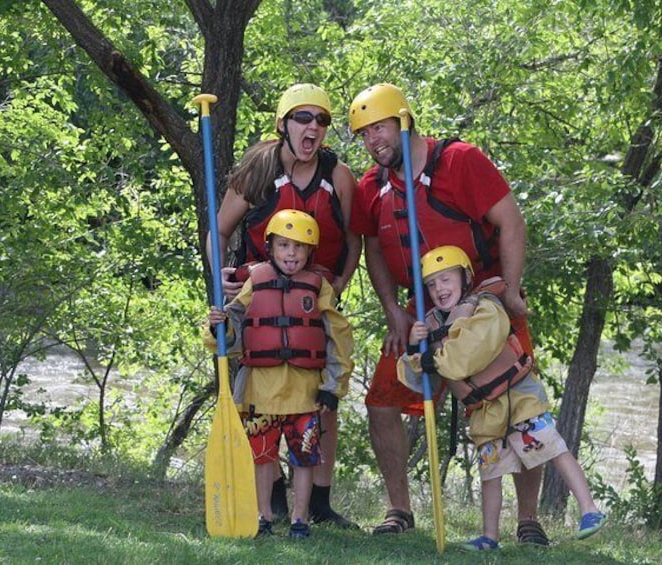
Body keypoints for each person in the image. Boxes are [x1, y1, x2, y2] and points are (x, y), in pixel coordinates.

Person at [347, 83, 547, 542]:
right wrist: (392, 310)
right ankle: (399, 509)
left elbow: (511, 221)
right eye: (364, 134)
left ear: (403, 121)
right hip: (422, 309)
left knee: (517, 401)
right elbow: (373, 246)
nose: (372, 140)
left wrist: (511, 292)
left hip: (484, 301)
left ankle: (528, 521)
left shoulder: (460, 161)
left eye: (379, 128)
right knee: (382, 402)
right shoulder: (371, 187)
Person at [206, 83, 361, 527]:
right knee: (262, 400)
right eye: (302, 118)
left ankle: (318, 504)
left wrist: (340, 287)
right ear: (283, 124)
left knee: (320, 401)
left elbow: (353, 241)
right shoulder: (258, 168)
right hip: (259, 294)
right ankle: (268, 502)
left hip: (315, 297)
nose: (312, 127)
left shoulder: (339, 176)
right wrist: (224, 284)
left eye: (321, 120)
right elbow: (218, 233)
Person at [397, 246, 607, 550]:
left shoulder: (485, 306)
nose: (439, 289)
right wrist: (416, 348)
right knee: (491, 469)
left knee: (550, 446)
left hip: (519, 395)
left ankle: (590, 510)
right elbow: (416, 378)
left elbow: (472, 351)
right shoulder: (428, 325)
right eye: (431, 284)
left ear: (465, 277)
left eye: (445, 279)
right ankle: (490, 536)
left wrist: (433, 358)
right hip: (484, 408)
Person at [204, 209, 354, 539]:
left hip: (305, 394)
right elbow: (232, 330)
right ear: (270, 247)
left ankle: (300, 519)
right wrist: (220, 327)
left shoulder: (318, 287)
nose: (291, 254)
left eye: (299, 247)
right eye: (284, 245)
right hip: (260, 393)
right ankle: (263, 515)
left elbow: (338, 337)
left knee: (303, 459)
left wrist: (333, 386)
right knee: (261, 458)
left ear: (310, 252)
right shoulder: (254, 283)